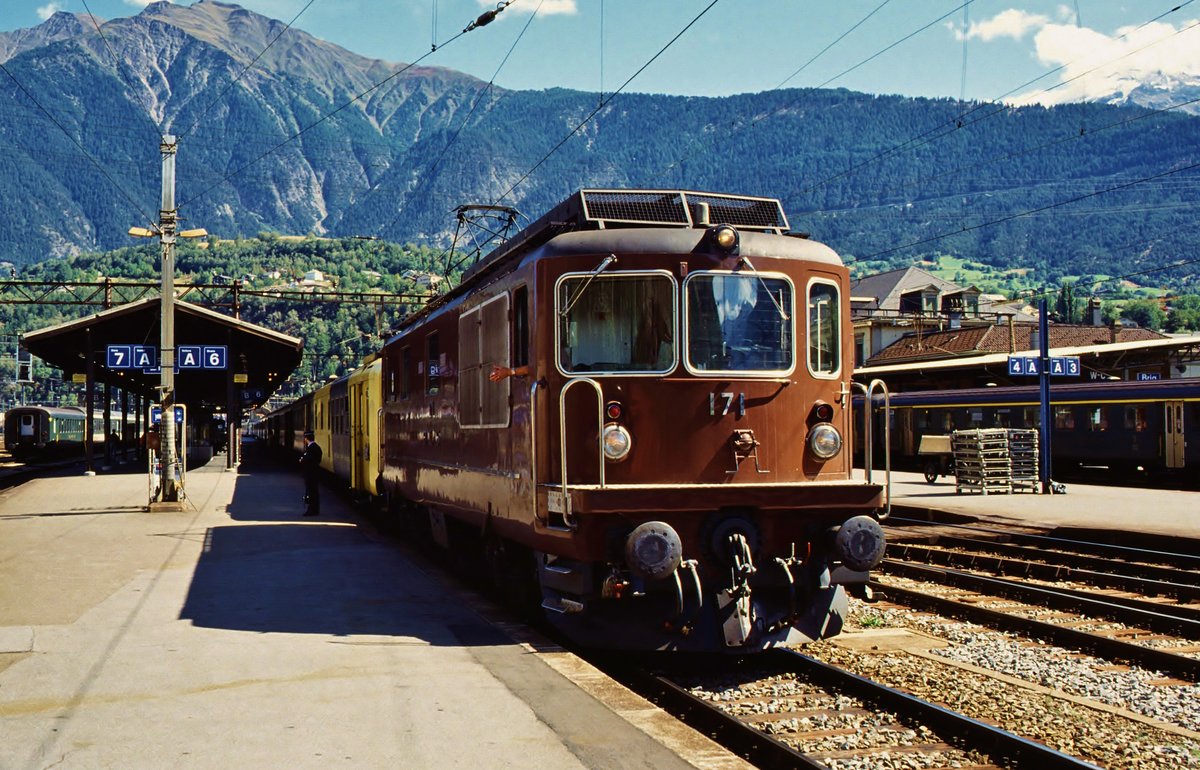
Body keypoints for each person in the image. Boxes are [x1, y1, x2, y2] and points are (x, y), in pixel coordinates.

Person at [299, 430, 322, 516]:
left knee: (311, 492)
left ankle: (311, 510)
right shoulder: (317, 447)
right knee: (314, 492)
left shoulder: (310, 448)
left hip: (310, 473)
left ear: (306, 439)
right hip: (314, 472)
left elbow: (308, 459)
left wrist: (302, 460)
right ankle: (315, 509)